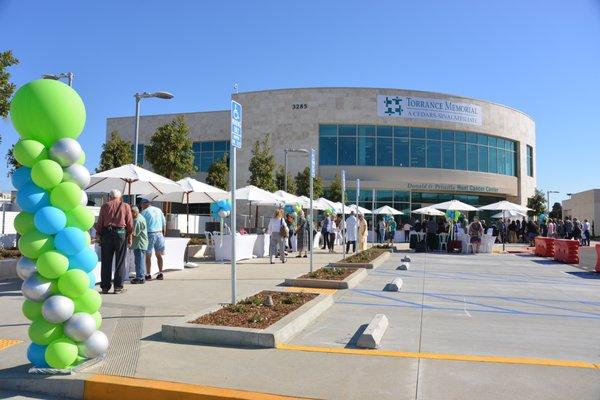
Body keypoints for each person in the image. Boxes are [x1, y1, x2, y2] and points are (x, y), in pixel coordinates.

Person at [96, 189, 133, 294]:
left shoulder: (105, 206)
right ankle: (118, 287)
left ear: (110, 196)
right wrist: (129, 234)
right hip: (121, 233)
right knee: (120, 261)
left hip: (107, 234)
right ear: (120, 197)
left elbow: (100, 222)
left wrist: (99, 234)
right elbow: (129, 222)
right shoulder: (126, 206)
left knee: (106, 261)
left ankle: (105, 287)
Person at [140, 199, 166, 281]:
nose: (141, 206)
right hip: (159, 233)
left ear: (144, 204)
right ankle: (160, 273)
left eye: (141, 204)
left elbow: (141, 224)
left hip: (150, 233)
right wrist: (163, 234)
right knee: (159, 254)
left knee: (148, 254)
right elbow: (164, 223)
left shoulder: (144, 212)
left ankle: (148, 274)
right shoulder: (159, 210)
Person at [130, 206, 148, 284]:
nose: (129, 215)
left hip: (139, 243)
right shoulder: (140, 217)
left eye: (130, 213)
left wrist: (128, 241)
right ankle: (141, 276)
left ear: (134, 212)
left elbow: (134, 234)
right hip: (141, 243)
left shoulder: (137, 220)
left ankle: (140, 277)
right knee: (140, 261)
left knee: (139, 261)